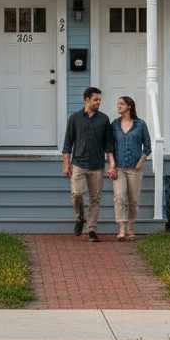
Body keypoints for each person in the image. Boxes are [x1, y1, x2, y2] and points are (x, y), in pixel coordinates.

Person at [62, 86, 115, 242]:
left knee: (95, 198)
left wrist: (111, 164)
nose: (99, 102)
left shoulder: (104, 119)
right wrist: (66, 164)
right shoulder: (75, 118)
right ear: (87, 100)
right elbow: (68, 142)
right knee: (76, 193)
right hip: (78, 162)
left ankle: (92, 229)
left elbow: (109, 145)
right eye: (96, 99)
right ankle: (80, 219)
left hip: (97, 164)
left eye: (99, 99)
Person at [108, 95, 151, 241]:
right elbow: (109, 147)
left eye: (121, 104)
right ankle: (121, 229)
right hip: (119, 167)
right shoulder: (114, 124)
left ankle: (131, 230)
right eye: (118, 103)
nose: (118, 106)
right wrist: (112, 165)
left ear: (129, 106)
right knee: (119, 197)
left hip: (135, 168)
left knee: (133, 200)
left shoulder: (140, 124)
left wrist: (142, 160)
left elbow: (148, 146)